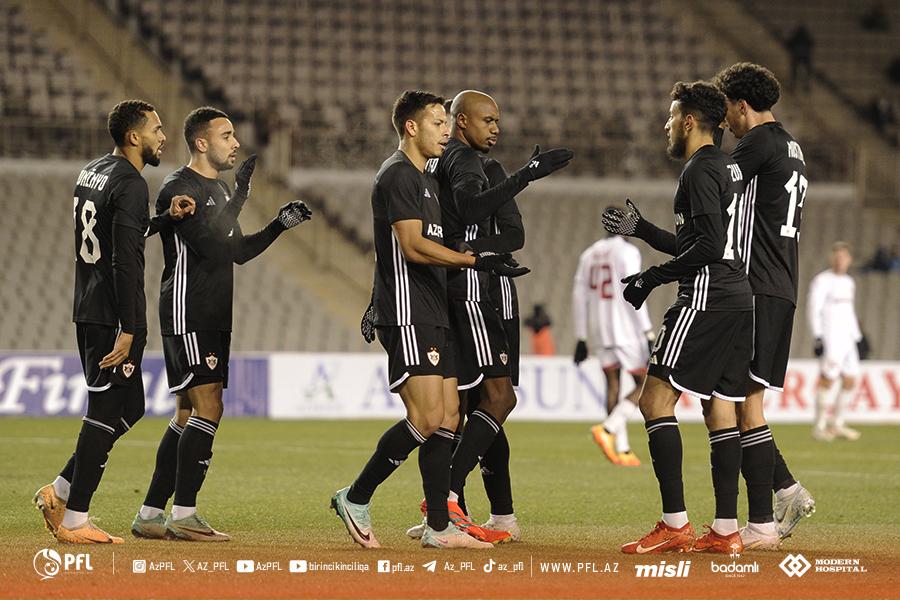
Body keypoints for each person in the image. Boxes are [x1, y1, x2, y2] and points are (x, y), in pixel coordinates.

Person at [333, 90, 526, 550]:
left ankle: (440, 526)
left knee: (450, 416)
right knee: (426, 417)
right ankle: (356, 497)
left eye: (446, 122)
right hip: (407, 310)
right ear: (411, 127)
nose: (446, 130)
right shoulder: (398, 174)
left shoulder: (426, 181)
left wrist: (476, 256)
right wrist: (474, 261)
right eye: (438, 123)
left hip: (434, 309)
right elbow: (413, 246)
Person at [130, 106, 312, 541]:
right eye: (226, 135)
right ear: (201, 142)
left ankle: (151, 513)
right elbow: (213, 247)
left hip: (211, 310)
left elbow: (239, 252)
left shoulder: (217, 188)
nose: (235, 143)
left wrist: (278, 225)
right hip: (188, 308)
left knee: (187, 413)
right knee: (209, 407)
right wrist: (242, 196)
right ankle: (184, 513)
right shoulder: (180, 187)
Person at [33, 99, 194, 543]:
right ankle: (75, 519)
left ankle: (60, 490)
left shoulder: (93, 171)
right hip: (111, 315)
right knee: (105, 411)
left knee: (131, 407)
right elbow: (125, 260)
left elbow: (118, 232)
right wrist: (129, 327)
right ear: (133, 136)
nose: (163, 137)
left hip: (89, 303)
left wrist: (165, 218)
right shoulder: (131, 183)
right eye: (156, 129)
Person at [603, 80, 752, 554]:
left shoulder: (699, 170)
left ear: (689, 121)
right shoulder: (728, 168)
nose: (666, 125)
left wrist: (651, 278)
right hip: (738, 297)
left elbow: (706, 249)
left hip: (705, 297)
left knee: (654, 400)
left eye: (671, 117)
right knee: (719, 407)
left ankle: (675, 524)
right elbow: (704, 242)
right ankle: (726, 531)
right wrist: (644, 230)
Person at [431, 90, 571, 540]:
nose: (496, 128)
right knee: (488, 403)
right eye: (487, 120)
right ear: (460, 120)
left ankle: (482, 508)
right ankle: (458, 503)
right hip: (467, 293)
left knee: (487, 404)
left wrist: (473, 248)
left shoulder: (483, 168)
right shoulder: (452, 163)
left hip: (489, 293)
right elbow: (462, 217)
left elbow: (514, 235)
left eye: (497, 121)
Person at [713, 62, 815, 548]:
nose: (725, 121)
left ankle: (762, 522)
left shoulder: (756, 143)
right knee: (737, 401)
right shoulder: (792, 146)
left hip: (755, 285)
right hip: (780, 286)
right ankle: (784, 492)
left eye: (726, 111)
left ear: (741, 105)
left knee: (738, 404)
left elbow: (718, 186)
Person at [572, 229, 653, 467]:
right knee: (645, 383)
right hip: (625, 328)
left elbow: (578, 294)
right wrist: (647, 331)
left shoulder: (589, 254)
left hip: (599, 328)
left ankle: (622, 449)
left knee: (613, 385)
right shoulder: (627, 251)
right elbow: (636, 288)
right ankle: (608, 429)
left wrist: (581, 336)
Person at [808, 242, 864, 442]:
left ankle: (837, 424)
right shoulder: (822, 280)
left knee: (851, 379)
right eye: (837, 257)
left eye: (844, 257)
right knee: (828, 379)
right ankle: (819, 426)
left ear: (849, 260)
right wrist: (818, 335)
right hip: (831, 336)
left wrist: (857, 336)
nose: (840, 261)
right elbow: (814, 308)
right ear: (831, 259)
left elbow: (849, 311)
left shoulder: (849, 282)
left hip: (848, 338)